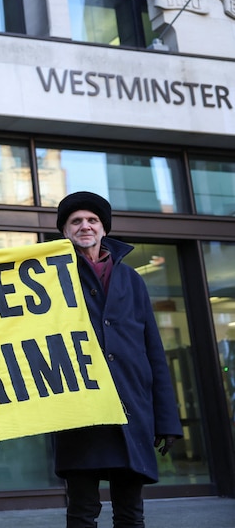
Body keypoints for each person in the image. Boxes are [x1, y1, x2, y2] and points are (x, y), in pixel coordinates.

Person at [52, 191, 182, 528]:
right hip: (81, 411)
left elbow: (153, 350)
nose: (85, 226)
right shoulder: (50, 278)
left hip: (131, 409)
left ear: (103, 228)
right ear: (65, 231)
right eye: (76, 221)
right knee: (82, 511)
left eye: (92, 220)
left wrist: (166, 419)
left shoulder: (132, 280)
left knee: (130, 512)